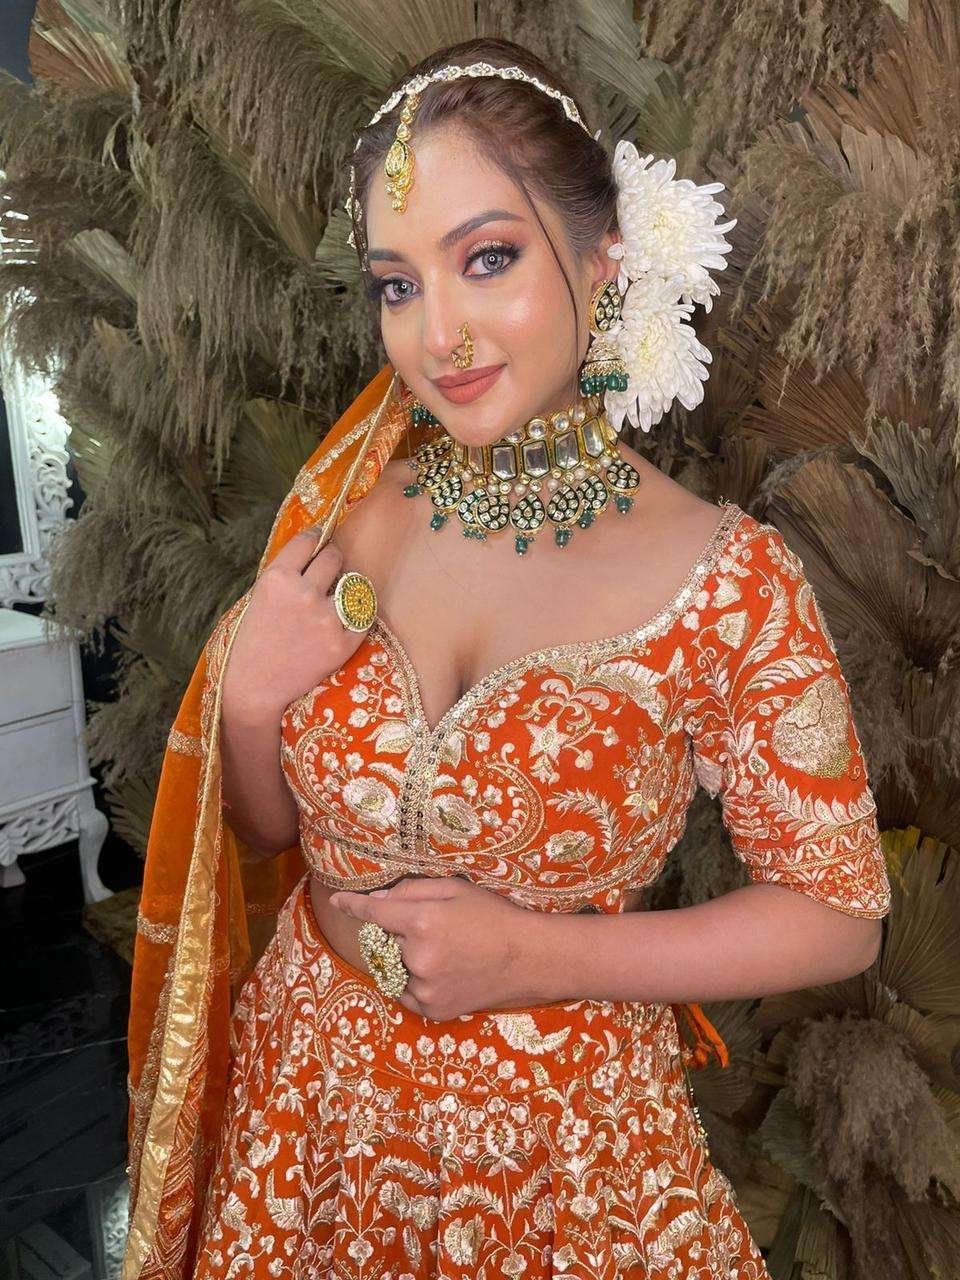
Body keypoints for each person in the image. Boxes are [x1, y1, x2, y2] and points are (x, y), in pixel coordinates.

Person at [121, 37, 892, 1280]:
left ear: (602, 260)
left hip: (562, 1157)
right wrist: (253, 700)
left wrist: (546, 955)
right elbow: (273, 834)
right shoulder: (345, 518)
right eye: (397, 284)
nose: (440, 334)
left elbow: (838, 916)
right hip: (306, 1119)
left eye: (488, 258)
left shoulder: (728, 581)